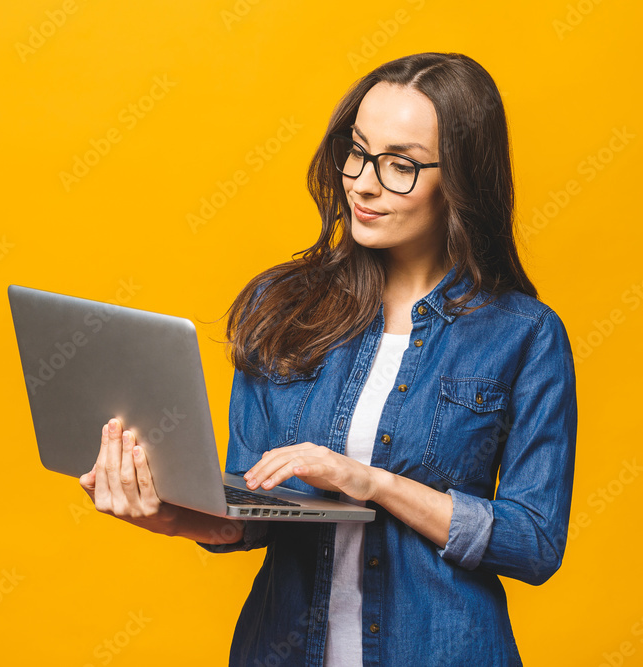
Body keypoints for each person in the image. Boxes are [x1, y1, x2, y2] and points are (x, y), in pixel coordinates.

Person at [78, 52, 577, 666]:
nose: (364, 183)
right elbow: (248, 516)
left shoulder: (524, 335)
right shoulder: (284, 307)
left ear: (462, 179)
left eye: (401, 165)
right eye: (358, 151)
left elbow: (533, 542)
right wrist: (165, 513)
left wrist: (370, 483)